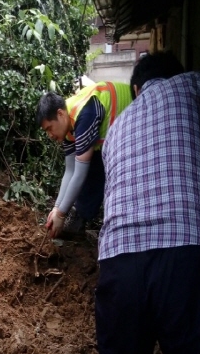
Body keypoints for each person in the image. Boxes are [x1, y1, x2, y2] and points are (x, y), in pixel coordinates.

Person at [96, 51, 200, 354]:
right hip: (187, 252)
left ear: (136, 89)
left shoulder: (115, 129)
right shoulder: (198, 84)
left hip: (118, 262)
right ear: (177, 74)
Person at [36, 81, 132, 238]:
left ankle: (118, 227)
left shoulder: (84, 115)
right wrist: (57, 208)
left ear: (60, 114)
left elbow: (80, 173)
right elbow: (70, 171)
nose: (50, 135)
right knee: (90, 167)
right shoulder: (68, 125)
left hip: (134, 117)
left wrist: (61, 215)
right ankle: (81, 218)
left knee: (94, 171)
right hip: (114, 138)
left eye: (49, 128)